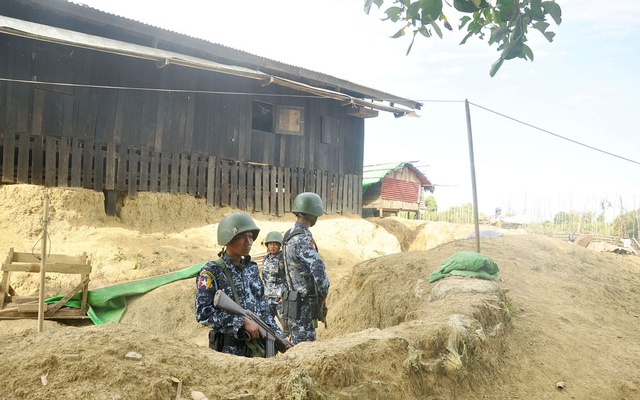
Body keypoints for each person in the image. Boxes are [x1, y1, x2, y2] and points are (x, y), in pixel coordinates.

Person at [195, 212, 292, 357]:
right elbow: (203, 313)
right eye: (242, 237)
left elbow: (263, 309)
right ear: (227, 238)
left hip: (257, 350)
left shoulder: (251, 268)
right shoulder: (211, 271)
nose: (248, 242)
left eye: (251, 237)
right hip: (229, 354)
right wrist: (240, 322)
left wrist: (279, 336)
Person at [281, 192, 330, 344]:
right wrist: (324, 292)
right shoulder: (303, 239)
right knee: (305, 347)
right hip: (304, 303)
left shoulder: (288, 236)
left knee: (296, 341)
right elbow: (318, 269)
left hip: (291, 301)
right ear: (311, 214)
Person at [261, 230, 290, 335]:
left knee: (286, 326)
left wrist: (284, 294)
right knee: (265, 325)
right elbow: (264, 278)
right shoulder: (266, 259)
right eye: (270, 244)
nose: (272, 247)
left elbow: (288, 278)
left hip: (279, 298)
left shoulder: (284, 259)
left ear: (279, 245)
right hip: (267, 297)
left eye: (275, 244)